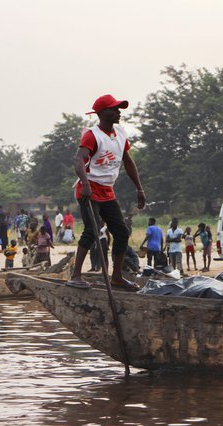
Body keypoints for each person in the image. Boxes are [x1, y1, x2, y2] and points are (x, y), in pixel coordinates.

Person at [67, 94, 145, 289]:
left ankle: (116, 277)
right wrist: (85, 184)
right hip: (89, 188)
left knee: (121, 232)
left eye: (119, 109)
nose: (119, 112)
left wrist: (139, 188)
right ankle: (75, 275)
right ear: (102, 113)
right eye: (114, 109)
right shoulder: (92, 135)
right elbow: (79, 160)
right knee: (91, 231)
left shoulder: (120, 133)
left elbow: (128, 161)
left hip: (108, 191)